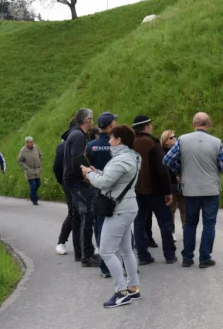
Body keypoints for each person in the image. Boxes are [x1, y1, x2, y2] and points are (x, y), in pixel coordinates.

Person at [82, 125, 142, 308]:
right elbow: (114, 181)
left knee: (106, 251)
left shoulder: (120, 160)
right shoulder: (133, 156)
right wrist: (96, 172)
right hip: (128, 206)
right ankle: (133, 288)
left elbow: (104, 183)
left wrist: (89, 173)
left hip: (118, 209)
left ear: (119, 140)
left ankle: (121, 292)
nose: (108, 141)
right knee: (126, 250)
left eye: (111, 138)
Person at [163, 112, 223, 268]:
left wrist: (179, 170)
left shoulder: (182, 140)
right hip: (211, 189)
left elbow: (167, 160)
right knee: (209, 224)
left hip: (190, 189)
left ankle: (187, 257)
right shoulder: (216, 142)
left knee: (190, 224)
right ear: (209, 124)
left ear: (193, 124)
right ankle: (205, 257)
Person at [131, 115, 176, 264]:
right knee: (165, 222)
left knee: (139, 223)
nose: (151, 127)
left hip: (137, 192)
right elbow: (162, 170)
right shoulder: (153, 143)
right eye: (150, 124)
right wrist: (168, 191)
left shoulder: (129, 143)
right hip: (156, 191)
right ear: (145, 127)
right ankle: (169, 255)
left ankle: (143, 256)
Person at [63, 108, 101, 268]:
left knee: (80, 216)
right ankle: (87, 255)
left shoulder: (74, 134)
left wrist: (87, 167)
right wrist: (88, 172)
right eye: (92, 119)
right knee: (88, 214)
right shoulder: (78, 135)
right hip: (77, 180)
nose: (93, 122)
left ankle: (81, 253)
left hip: (72, 180)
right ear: (87, 120)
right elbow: (76, 158)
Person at [87, 111, 117, 278]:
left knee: (102, 230)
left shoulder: (91, 145)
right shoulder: (119, 144)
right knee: (124, 230)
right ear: (111, 125)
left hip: (99, 192)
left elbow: (86, 168)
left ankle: (105, 268)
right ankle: (126, 266)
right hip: (119, 193)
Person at [54, 118, 78, 255]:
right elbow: (57, 166)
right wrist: (63, 182)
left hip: (78, 183)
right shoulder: (63, 146)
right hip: (70, 183)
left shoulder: (81, 141)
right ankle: (61, 242)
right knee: (73, 212)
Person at [161, 129, 185, 235]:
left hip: (182, 184)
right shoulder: (163, 153)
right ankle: (172, 231)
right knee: (171, 210)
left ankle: (186, 230)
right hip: (171, 184)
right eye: (171, 137)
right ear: (165, 141)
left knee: (185, 209)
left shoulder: (180, 151)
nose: (174, 138)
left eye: (175, 136)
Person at [17, 136, 43, 205]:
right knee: (33, 185)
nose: (32, 143)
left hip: (37, 169)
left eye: (32, 142)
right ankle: (34, 200)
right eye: (30, 142)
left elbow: (40, 155)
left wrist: (40, 163)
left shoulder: (36, 147)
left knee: (38, 183)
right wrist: (26, 168)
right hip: (29, 171)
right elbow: (19, 161)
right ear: (26, 143)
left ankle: (31, 193)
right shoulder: (23, 151)